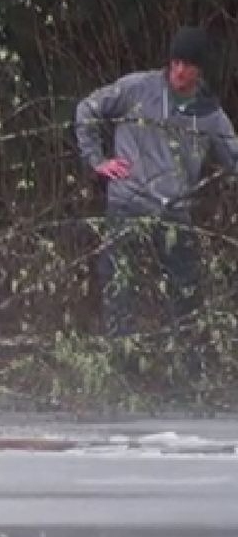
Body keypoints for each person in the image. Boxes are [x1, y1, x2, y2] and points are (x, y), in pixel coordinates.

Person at [74, 25, 238, 338]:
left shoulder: (209, 112)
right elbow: (87, 109)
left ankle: (186, 367)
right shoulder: (138, 88)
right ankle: (121, 362)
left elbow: (233, 155)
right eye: (175, 62)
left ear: (199, 70)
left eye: (187, 65)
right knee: (119, 286)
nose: (179, 71)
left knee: (186, 291)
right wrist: (97, 161)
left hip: (174, 211)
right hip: (129, 203)